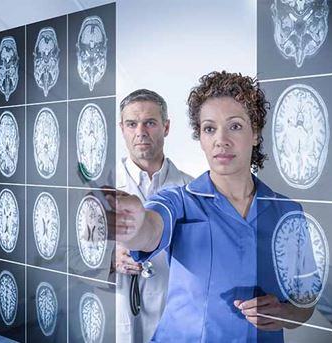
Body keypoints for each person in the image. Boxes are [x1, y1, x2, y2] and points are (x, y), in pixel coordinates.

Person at [113, 71, 318, 342]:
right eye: (209, 128)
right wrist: (133, 223)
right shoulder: (177, 200)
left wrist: (285, 313)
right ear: (200, 136)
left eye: (234, 126)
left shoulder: (288, 212)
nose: (221, 140)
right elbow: (150, 229)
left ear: (255, 133)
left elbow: (306, 301)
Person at [115, 89, 193, 342]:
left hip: (173, 317)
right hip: (116, 316)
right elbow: (65, 255)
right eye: (131, 124)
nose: (141, 132)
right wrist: (107, 259)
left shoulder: (192, 192)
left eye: (150, 122)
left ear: (166, 127)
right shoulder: (98, 190)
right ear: (122, 128)